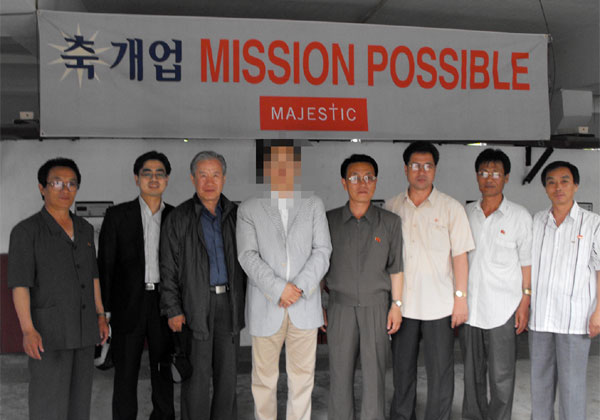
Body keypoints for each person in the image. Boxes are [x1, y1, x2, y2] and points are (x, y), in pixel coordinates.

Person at [236, 140, 332, 420]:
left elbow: (322, 250)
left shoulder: (313, 204)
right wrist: (279, 289)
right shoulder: (249, 208)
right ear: (265, 168)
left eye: (288, 162)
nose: (282, 168)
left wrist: (297, 288)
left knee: (303, 379)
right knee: (263, 380)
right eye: (274, 162)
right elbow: (247, 256)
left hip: (304, 306)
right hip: (267, 305)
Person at [8, 157, 109, 420]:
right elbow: (20, 285)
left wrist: (100, 315)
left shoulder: (85, 229)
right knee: (48, 403)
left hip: (84, 329)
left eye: (72, 184)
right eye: (57, 183)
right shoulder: (26, 232)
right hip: (49, 333)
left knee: (80, 403)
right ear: (42, 188)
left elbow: (93, 276)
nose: (65, 189)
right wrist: (28, 330)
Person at [385, 141, 474, 420]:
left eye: (427, 166)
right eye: (415, 165)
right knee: (402, 371)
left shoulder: (451, 208)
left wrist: (461, 299)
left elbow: (460, 257)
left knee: (441, 373)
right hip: (403, 306)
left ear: (435, 169)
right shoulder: (392, 207)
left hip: (440, 306)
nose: (421, 171)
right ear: (405, 169)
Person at [160, 151, 246, 420]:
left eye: (215, 175)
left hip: (229, 305)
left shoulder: (237, 216)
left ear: (224, 178)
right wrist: (173, 309)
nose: (209, 182)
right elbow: (168, 267)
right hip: (195, 305)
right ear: (192, 178)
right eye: (203, 175)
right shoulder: (179, 217)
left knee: (227, 378)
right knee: (196, 379)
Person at [324, 154, 403, 420]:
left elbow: (396, 267)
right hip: (339, 307)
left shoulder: (390, 222)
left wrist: (396, 305)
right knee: (339, 373)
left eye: (369, 177)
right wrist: (319, 305)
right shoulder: (328, 221)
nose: (362, 183)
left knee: (375, 374)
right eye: (355, 178)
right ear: (343, 182)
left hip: (376, 308)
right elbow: (318, 267)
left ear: (376, 182)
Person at [98, 151, 175, 420]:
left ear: (167, 179)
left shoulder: (176, 216)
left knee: (163, 371)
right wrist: (104, 312)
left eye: (159, 174)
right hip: (128, 304)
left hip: (164, 305)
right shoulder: (118, 215)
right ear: (136, 178)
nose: (153, 179)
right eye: (147, 173)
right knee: (125, 373)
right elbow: (106, 265)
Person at [461, 148, 532, 420]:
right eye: (483, 173)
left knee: (502, 376)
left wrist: (525, 302)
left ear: (506, 178)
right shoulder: (466, 213)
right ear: (476, 176)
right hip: (470, 309)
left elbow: (527, 263)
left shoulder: (519, 216)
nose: (489, 178)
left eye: (495, 173)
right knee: (472, 375)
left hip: (504, 309)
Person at [529, 161, 600, 420]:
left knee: (572, 388)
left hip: (575, 319)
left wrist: (598, 312)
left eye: (564, 181)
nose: (558, 187)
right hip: (540, 319)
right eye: (551, 182)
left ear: (576, 185)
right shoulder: (537, 221)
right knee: (540, 386)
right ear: (545, 188)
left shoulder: (593, 224)